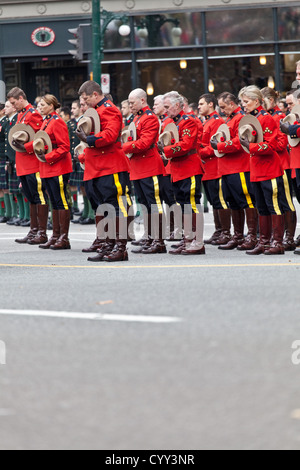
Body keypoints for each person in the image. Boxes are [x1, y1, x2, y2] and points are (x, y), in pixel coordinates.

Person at [77, 80, 131, 262]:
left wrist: (89, 138)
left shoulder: (109, 109)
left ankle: (120, 248)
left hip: (110, 165)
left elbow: (110, 134)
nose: (84, 103)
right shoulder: (96, 111)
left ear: (95, 94)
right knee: (102, 208)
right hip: (96, 167)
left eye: (85, 99)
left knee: (116, 207)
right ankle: (108, 245)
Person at [239, 85, 292, 255]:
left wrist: (250, 146)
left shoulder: (266, 118)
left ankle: (277, 242)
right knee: (261, 206)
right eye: (242, 102)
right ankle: (264, 242)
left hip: (269, 168)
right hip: (256, 168)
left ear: (256, 101)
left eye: (246, 102)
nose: (243, 105)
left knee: (273, 206)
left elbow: (271, 146)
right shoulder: (250, 118)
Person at [159, 91, 205, 255]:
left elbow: (185, 145)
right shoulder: (171, 122)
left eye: (167, 107)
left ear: (177, 106)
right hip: (177, 168)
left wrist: (165, 149)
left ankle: (197, 242)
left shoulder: (188, 121)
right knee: (183, 205)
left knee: (192, 204)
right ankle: (187, 240)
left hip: (189, 167)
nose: (165, 111)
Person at [211, 92, 258, 251]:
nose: (222, 110)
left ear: (232, 104)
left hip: (239, 167)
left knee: (246, 201)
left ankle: (252, 235)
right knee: (232, 202)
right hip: (227, 167)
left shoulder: (240, 118)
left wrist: (220, 146)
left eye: (224, 106)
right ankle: (238, 235)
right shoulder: (230, 119)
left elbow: (240, 141)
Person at [122, 88, 166, 254]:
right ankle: (150, 236)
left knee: (154, 203)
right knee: (144, 204)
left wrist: (123, 147)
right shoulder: (137, 117)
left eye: (132, 102)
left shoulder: (150, 118)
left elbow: (145, 143)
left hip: (149, 166)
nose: (129, 105)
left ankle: (159, 240)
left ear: (142, 100)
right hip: (138, 167)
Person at [26, 94, 73, 250]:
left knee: (61, 201)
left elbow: (64, 147)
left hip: (58, 166)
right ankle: (55, 235)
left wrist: (48, 157)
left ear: (51, 106)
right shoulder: (46, 121)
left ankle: (64, 238)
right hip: (48, 167)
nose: (39, 107)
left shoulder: (57, 121)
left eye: (43, 105)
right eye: (39, 105)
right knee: (54, 201)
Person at [7, 87, 47, 245]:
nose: (13, 105)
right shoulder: (21, 114)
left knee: (39, 197)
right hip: (23, 163)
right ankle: (33, 230)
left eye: (14, 102)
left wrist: (26, 147)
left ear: (21, 98)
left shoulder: (32, 114)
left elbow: (39, 139)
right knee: (30, 197)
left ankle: (41, 232)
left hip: (32, 163)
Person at [261, 87, 297, 252]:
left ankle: (289, 237)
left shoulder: (279, 117)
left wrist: (262, 146)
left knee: (286, 201)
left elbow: (282, 144)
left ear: (272, 101)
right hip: (270, 165)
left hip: (282, 164)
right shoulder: (264, 117)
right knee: (274, 202)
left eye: (264, 101)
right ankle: (279, 236)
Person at [198, 93, 230, 245]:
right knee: (213, 201)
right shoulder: (207, 121)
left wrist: (199, 151)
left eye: (202, 104)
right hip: (207, 168)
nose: (199, 107)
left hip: (215, 166)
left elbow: (215, 147)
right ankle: (219, 230)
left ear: (210, 104)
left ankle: (225, 231)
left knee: (220, 201)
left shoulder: (216, 121)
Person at [0, 103, 10, 223]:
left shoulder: (6, 122)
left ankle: (9, 212)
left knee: (6, 187)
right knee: (1, 187)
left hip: (3, 157)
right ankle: (2, 212)